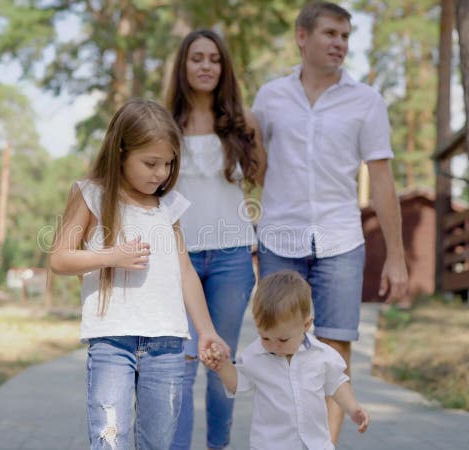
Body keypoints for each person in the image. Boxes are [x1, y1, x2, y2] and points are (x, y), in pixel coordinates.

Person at [252, 1, 408, 444]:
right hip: (280, 238)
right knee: (279, 350)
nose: (340, 43)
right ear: (303, 37)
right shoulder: (270, 97)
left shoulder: (366, 101)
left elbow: (381, 180)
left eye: (345, 36)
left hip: (340, 241)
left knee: (334, 353)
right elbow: (254, 166)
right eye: (330, 34)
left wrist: (396, 257)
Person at [49, 98, 230, 450]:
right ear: (121, 152)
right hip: (112, 341)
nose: (160, 173)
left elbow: (186, 273)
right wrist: (110, 256)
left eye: (168, 163)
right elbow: (59, 258)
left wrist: (206, 331)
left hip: (167, 345)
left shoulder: (168, 205)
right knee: (109, 441)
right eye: (150, 163)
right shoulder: (92, 195)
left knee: (158, 444)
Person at [164, 29, 266, 450]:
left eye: (214, 59)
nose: (206, 66)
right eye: (196, 58)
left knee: (221, 360)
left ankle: (218, 446)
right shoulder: (163, 121)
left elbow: (261, 182)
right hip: (177, 258)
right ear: (183, 66)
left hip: (231, 258)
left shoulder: (244, 122)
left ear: (224, 68)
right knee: (181, 364)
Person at [200, 271, 369, 450]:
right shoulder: (256, 355)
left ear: (306, 325)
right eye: (265, 338)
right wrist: (223, 367)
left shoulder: (321, 355)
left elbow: (338, 383)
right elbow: (236, 384)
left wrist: (352, 408)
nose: (273, 345)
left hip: (315, 444)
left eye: (282, 340)